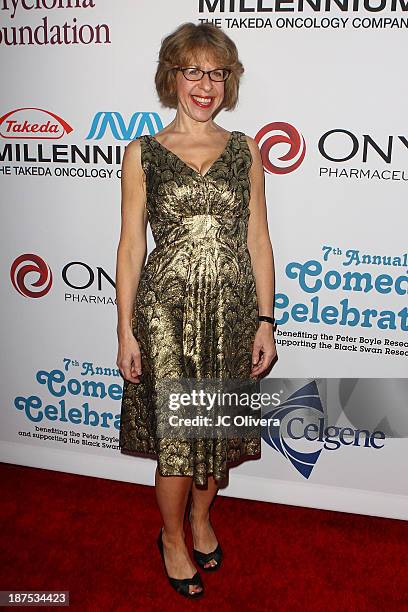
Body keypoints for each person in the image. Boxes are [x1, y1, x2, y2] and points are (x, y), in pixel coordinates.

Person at [115, 22, 277, 599]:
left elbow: (259, 239)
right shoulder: (143, 153)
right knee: (179, 438)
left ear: (228, 82)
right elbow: (131, 245)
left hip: (232, 309)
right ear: (172, 77)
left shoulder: (245, 150)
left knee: (216, 430)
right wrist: (124, 332)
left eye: (217, 73)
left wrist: (265, 319)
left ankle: (203, 520)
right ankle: (172, 538)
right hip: (166, 311)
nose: (205, 84)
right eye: (193, 71)